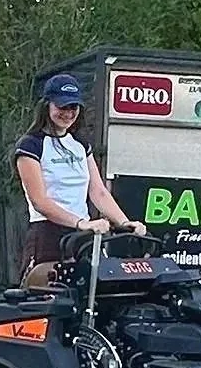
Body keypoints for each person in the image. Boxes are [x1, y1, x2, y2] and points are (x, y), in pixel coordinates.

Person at [14, 75, 133, 277]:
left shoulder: (79, 145)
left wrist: (124, 223)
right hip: (48, 234)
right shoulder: (31, 145)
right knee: (47, 299)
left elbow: (98, 191)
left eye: (73, 108)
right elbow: (40, 201)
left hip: (83, 236)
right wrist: (80, 223)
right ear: (47, 106)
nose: (68, 113)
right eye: (62, 107)